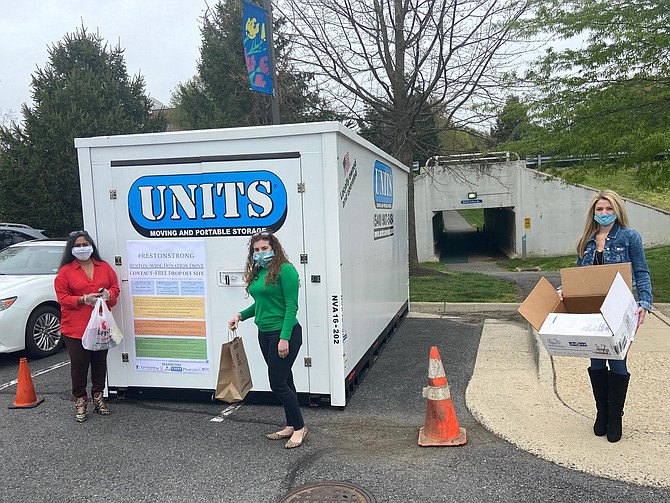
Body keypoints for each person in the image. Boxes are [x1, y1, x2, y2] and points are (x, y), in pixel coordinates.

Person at [572, 189, 653, 443]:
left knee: (617, 361)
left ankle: (615, 416)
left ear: (617, 211)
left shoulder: (629, 237)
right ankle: (602, 412)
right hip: (594, 312)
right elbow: (580, 278)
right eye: (600, 210)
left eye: (609, 209)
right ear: (593, 213)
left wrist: (645, 303)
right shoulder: (587, 240)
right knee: (596, 362)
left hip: (620, 311)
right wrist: (565, 290)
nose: (604, 214)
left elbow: (641, 272)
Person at [228, 231, 307, 449]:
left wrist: (284, 338)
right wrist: (240, 315)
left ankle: (300, 428)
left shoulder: (285, 270)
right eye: (256, 250)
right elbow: (261, 304)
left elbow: (291, 306)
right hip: (264, 333)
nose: (260, 253)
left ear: (274, 248)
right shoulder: (260, 272)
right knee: (285, 379)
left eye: (264, 248)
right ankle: (291, 425)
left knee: (278, 384)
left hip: (284, 334)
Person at [54, 230, 120, 423]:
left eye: (85, 245)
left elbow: (115, 287)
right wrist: (82, 299)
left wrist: (108, 294)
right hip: (75, 327)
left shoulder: (104, 267)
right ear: (71, 249)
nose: (82, 248)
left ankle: (98, 395)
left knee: (100, 362)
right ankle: (80, 399)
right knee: (79, 364)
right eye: (78, 246)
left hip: (101, 326)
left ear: (91, 246)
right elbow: (63, 298)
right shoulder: (65, 272)